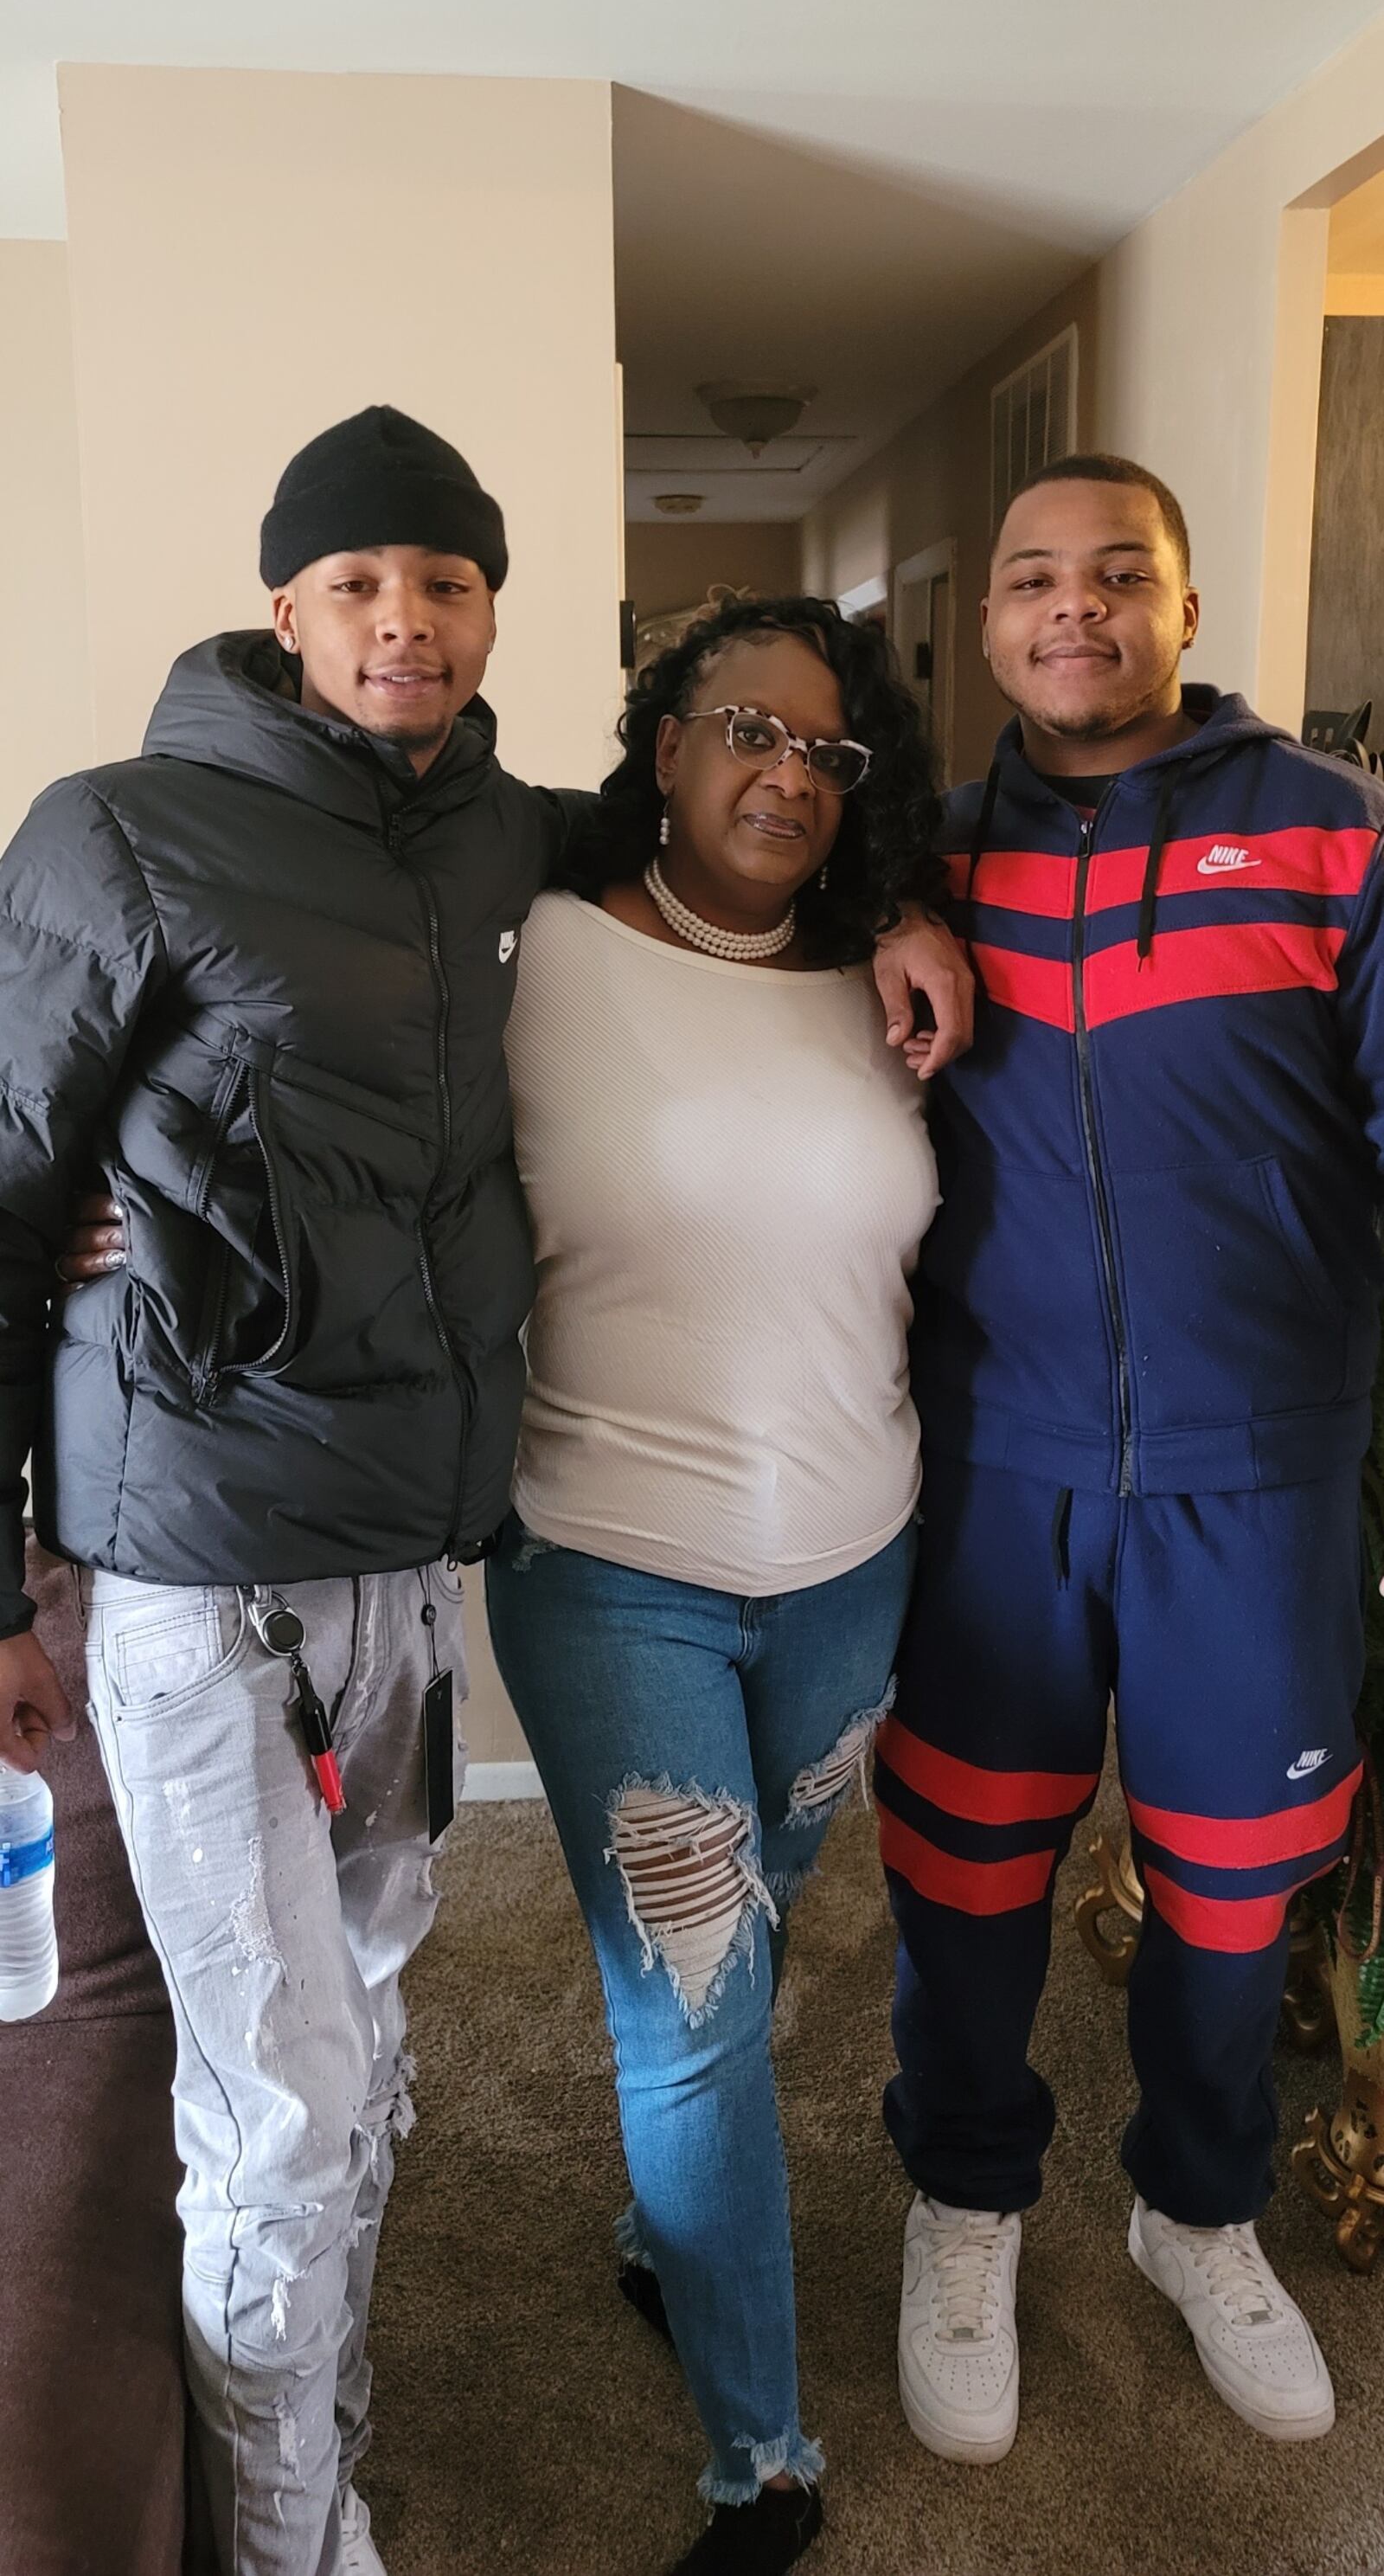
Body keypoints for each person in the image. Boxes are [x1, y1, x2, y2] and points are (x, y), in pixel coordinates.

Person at [1, 414, 969, 2576]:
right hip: (252, 1557)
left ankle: (325, 2431)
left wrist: (905, 889)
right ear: (283, 608)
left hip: (459, 1567)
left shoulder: (482, 849)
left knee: (402, 2038)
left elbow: (772, 820)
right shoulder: (140, 829)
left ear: (493, 612)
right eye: (357, 584)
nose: (401, 621)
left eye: (442, 584)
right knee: (375, 2084)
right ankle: (472, 2506)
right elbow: (7, 1153)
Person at [878, 453, 1384, 2465]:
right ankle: (965, 2191)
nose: (1068, 608)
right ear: (986, 621)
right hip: (993, 1465)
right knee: (968, 1866)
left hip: (1251, 1476)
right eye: (1028, 579)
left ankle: (1197, 2211)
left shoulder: (1328, 837)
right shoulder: (908, 865)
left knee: (1233, 1888)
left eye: (1115, 574)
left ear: (1182, 604)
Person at [485, 594, 943, 2576]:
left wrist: (917, 906)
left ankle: (659, 2233)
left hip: (858, 1558)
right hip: (608, 1562)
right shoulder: (534, 950)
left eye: (825, 753)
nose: (782, 771)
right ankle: (759, 2456)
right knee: (692, 2004)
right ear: (660, 742)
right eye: (742, 726)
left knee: (761, 1929)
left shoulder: (891, 978)